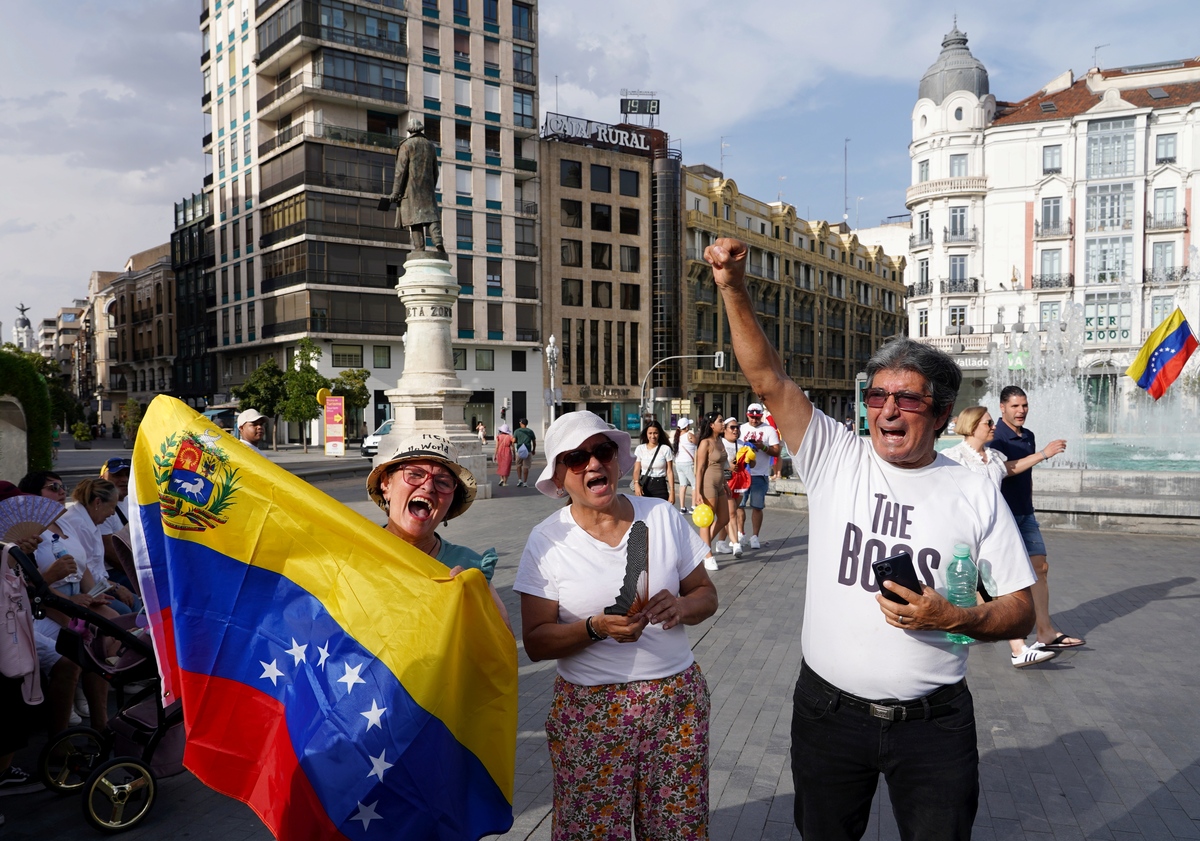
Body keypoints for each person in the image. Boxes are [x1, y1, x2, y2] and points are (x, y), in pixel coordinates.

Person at [707, 236, 1036, 840]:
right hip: (827, 714)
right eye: (878, 395)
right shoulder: (838, 456)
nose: (887, 410)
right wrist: (731, 286)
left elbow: (1021, 610)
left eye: (906, 399)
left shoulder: (974, 489)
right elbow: (768, 379)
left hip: (934, 724)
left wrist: (953, 615)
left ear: (939, 414)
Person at [513, 411, 718, 840]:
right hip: (589, 710)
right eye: (575, 458)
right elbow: (535, 642)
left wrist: (681, 606)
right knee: (591, 831)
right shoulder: (547, 541)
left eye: (601, 451)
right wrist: (594, 628)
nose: (592, 463)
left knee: (676, 829)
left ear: (616, 460)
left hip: (674, 701)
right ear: (558, 476)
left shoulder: (660, 515)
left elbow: (706, 595)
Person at [943, 406, 1063, 668]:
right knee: (987, 585)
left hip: (996, 529)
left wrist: (1042, 454)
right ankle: (1012, 645)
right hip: (968, 531)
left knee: (997, 584)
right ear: (973, 425)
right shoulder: (953, 457)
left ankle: (1012, 644)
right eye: (988, 423)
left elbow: (1011, 468)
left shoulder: (994, 456)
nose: (993, 426)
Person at [365, 434, 510, 631]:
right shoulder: (353, 554)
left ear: (450, 503)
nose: (428, 486)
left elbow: (502, 650)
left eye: (443, 481)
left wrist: (476, 608)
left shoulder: (470, 569)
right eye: (415, 474)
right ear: (386, 484)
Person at [989, 386, 1085, 662]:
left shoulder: (1027, 435)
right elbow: (1005, 469)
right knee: (1005, 575)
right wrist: (1044, 453)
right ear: (1002, 408)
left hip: (1025, 513)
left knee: (1040, 567)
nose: (1021, 411)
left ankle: (1045, 631)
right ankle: (1000, 629)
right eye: (1015, 406)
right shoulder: (998, 438)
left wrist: (1028, 506)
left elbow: (1024, 476)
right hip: (1004, 515)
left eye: (1025, 406)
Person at [387, 118, 445, 252]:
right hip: (427, 189)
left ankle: (419, 248)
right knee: (431, 217)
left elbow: (400, 171)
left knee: (415, 219)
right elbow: (435, 171)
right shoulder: (430, 146)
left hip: (411, 189)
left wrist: (396, 192)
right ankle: (438, 241)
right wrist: (431, 186)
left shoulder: (406, 145)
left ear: (409, 130)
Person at [738, 403, 781, 550]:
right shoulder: (741, 428)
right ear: (747, 415)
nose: (754, 420)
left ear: (761, 416)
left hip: (760, 474)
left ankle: (755, 536)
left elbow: (776, 452)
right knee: (739, 505)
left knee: (757, 506)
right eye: (751, 417)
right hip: (743, 473)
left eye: (757, 417)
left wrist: (762, 446)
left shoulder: (769, 430)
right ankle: (740, 533)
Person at [692, 411, 729, 571]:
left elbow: (722, 466)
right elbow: (699, 469)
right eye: (720, 421)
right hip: (707, 485)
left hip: (720, 484)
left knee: (725, 518)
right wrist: (697, 491)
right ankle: (708, 556)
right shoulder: (705, 443)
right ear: (712, 425)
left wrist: (726, 484)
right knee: (706, 520)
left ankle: (701, 547)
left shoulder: (720, 440)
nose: (723, 424)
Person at [713, 419, 744, 558]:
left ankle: (720, 542)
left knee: (726, 516)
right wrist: (728, 466)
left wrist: (751, 458)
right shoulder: (719, 443)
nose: (735, 430)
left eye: (737, 427)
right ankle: (736, 544)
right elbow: (713, 464)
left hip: (739, 482)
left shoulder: (741, 444)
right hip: (725, 482)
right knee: (732, 513)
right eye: (732, 427)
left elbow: (751, 464)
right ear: (725, 429)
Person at [630, 420, 676, 505]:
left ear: (659, 434)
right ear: (646, 434)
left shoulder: (665, 449)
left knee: (661, 515)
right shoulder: (640, 449)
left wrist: (672, 491)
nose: (653, 436)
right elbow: (636, 469)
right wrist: (636, 484)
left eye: (655, 433)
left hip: (660, 487)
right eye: (650, 433)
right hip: (644, 486)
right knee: (645, 515)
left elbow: (669, 471)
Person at [673, 418, 697, 513]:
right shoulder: (689, 435)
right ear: (686, 427)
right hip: (688, 463)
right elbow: (698, 442)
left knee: (683, 485)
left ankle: (682, 507)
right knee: (695, 484)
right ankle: (693, 506)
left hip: (678, 463)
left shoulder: (677, 436)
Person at [513, 418, 537, 488]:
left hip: (519, 450)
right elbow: (534, 442)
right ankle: (525, 482)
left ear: (521, 423)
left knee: (518, 465)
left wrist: (518, 441)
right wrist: (533, 450)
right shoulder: (530, 431)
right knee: (526, 466)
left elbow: (514, 440)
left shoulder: (517, 431)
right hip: (528, 450)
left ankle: (519, 479)